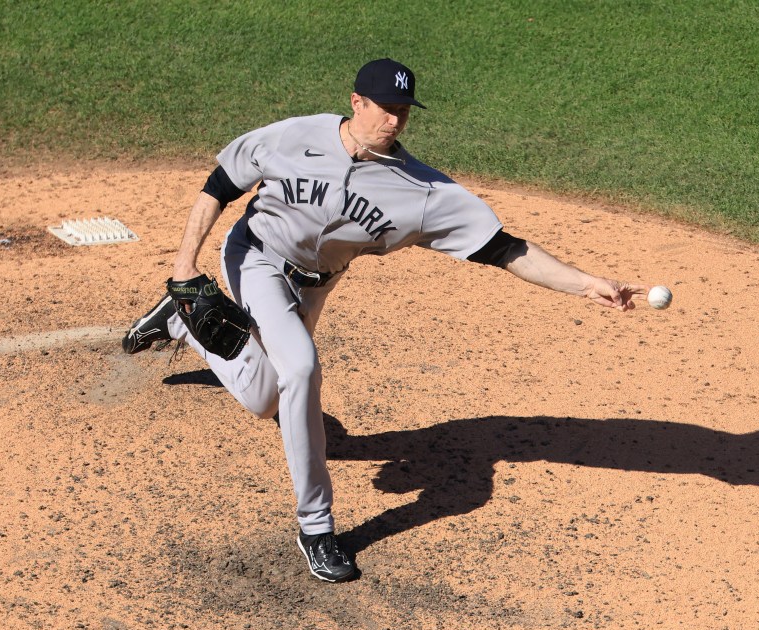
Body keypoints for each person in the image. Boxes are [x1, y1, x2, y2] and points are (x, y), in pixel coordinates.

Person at [122, 58, 647, 583]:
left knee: (266, 400)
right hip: (255, 258)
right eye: (385, 109)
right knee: (301, 370)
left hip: (313, 286)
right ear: (357, 103)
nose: (395, 121)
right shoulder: (295, 136)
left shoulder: (421, 192)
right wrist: (184, 266)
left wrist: (586, 283)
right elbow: (220, 184)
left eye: (403, 112)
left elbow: (504, 249)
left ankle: (183, 323)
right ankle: (316, 527)